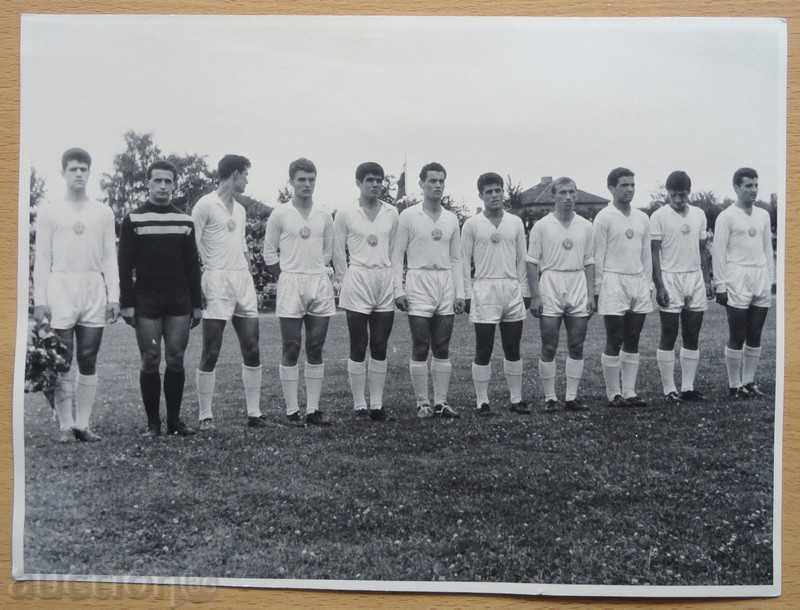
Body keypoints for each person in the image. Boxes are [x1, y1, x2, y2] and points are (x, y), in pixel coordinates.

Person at [32, 147, 120, 442]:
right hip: (60, 287)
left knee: (88, 356)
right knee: (62, 359)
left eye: (84, 169)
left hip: (93, 286)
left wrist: (114, 296)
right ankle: (65, 425)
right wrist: (39, 300)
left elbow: (110, 257)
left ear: (89, 172)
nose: (79, 174)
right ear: (63, 173)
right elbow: (42, 258)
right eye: (73, 169)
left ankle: (82, 423)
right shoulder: (50, 210)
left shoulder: (103, 211)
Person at [118, 160, 202, 436]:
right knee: (151, 358)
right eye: (158, 181)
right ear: (148, 183)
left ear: (174, 184)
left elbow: (192, 265)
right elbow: (124, 265)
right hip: (146, 301)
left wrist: (197, 303)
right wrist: (127, 303)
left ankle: (175, 422)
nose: (163, 186)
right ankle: (153, 424)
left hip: (179, 300)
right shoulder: (133, 219)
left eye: (168, 181)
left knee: (176, 359)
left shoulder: (185, 220)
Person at [192, 154, 266, 429]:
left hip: (241, 281)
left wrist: (248, 277)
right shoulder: (205, 205)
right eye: (245, 175)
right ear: (234, 174)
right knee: (211, 350)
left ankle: (255, 413)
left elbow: (243, 247)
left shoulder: (241, 209)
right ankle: (205, 414)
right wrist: (197, 285)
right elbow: (191, 248)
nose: (247, 180)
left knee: (252, 347)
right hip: (215, 280)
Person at [264, 158, 336, 426]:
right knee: (292, 345)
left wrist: (320, 268)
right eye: (301, 179)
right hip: (291, 282)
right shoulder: (280, 213)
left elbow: (329, 250)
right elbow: (269, 251)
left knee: (315, 346)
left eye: (311, 179)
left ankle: (313, 410)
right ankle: (292, 410)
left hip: (318, 281)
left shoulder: (324, 214)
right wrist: (283, 277)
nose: (307, 184)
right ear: (291, 181)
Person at [391, 162, 465, 419]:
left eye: (441, 181)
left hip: (444, 281)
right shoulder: (408, 216)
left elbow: (457, 259)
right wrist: (398, 290)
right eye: (432, 181)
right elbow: (397, 255)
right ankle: (422, 402)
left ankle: (441, 402)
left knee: (442, 345)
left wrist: (460, 293)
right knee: (421, 344)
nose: (437, 185)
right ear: (421, 183)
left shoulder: (451, 218)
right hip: (418, 281)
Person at [333, 162, 399, 421]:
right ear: (359, 182)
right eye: (370, 180)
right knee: (358, 343)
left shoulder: (392, 213)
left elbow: (394, 251)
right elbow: (338, 250)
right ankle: (360, 403)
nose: (375, 185)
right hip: (357, 277)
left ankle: (377, 403)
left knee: (380, 344)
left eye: (379, 180)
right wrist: (341, 279)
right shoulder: (346, 213)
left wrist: (396, 282)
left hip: (383, 279)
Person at [461, 172, 531, 416]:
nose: (494, 195)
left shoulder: (515, 223)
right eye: (489, 191)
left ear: (503, 193)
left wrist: (524, 289)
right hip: (484, 288)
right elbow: (462, 261)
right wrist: (467, 293)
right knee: (484, 348)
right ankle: (482, 401)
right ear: (480, 195)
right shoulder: (471, 224)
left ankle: (516, 399)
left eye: (498, 190)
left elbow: (522, 259)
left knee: (513, 347)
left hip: (511, 288)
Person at [527, 177, 595, 412]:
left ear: (576, 195)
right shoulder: (542, 226)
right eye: (563, 192)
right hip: (551, 282)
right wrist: (535, 295)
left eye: (572, 192)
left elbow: (589, 262)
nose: (568, 197)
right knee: (549, 344)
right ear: (553, 196)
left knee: (577, 344)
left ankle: (571, 397)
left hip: (577, 282)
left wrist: (591, 293)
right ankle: (550, 397)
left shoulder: (586, 226)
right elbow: (532, 263)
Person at [651, 171, 713, 403]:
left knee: (692, 333)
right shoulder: (658, 216)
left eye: (683, 195)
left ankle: (688, 387)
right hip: (670, 277)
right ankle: (669, 389)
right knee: (669, 333)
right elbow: (654, 254)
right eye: (675, 195)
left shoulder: (699, 214)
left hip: (694, 277)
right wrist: (659, 285)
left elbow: (703, 251)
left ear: (689, 192)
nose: (679, 200)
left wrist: (707, 280)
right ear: (668, 193)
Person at [712, 167, 774, 398]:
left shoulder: (763, 215)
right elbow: (718, 252)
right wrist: (720, 284)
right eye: (748, 186)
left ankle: (749, 381)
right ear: (737, 187)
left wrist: (771, 278)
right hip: (737, 276)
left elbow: (768, 249)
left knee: (756, 332)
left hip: (759, 276)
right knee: (737, 333)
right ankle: (734, 384)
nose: (753, 190)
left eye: (756, 185)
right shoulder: (726, 216)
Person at [594, 167, 653, 408]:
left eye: (632, 185)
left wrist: (648, 284)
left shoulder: (642, 218)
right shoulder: (603, 217)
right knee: (615, 336)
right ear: (611, 188)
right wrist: (598, 288)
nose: (629, 189)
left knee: (633, 337)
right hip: (612, 280)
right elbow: (598, 255)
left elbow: (646, 255)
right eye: (624, 185)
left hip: (637, 281)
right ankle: (613, 392)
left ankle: (629, 391)